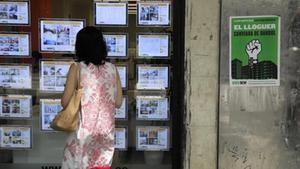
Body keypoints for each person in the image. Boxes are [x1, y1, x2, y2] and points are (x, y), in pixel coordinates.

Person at [61, 26, 123, 169]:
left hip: (83, 132)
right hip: (105, 132)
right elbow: (118, 102)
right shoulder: (112, 69)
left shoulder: (77, 68)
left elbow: (65, 102)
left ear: (79, 46)